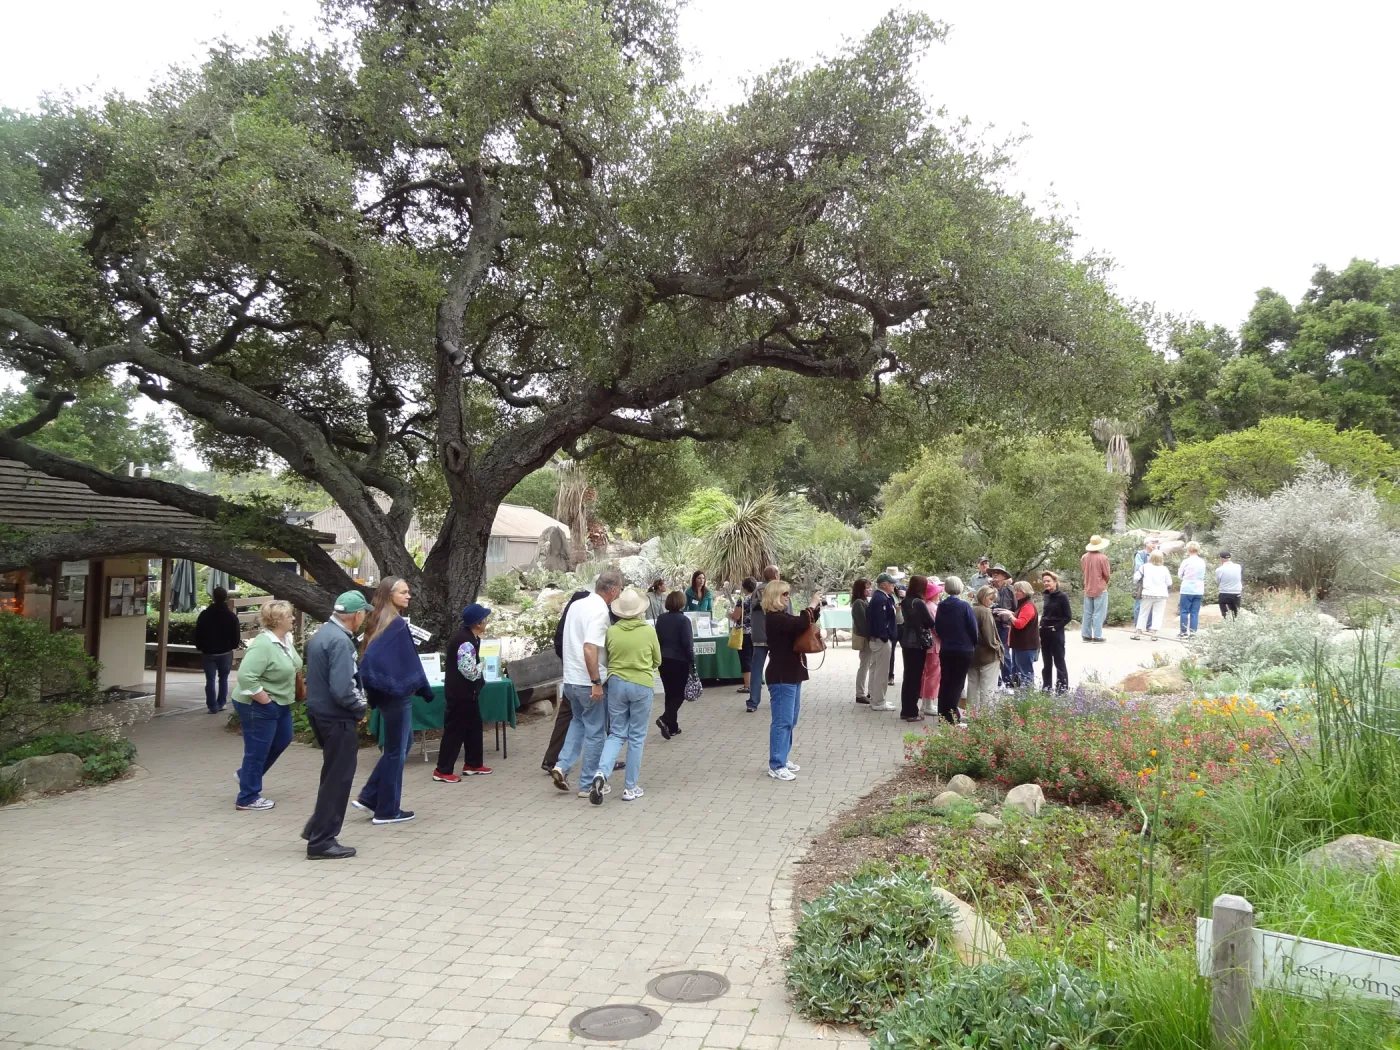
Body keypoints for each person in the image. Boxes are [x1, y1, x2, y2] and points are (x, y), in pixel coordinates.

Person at [352, 577, 434, 825]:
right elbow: (372, 662)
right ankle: (387, 810)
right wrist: (398, 683)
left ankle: (369, 797)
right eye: (404, 592)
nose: (409, 596)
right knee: (396, 751)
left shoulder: (379, 618)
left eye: (409, 592)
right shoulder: (395, 624)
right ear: (389, 594)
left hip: (390, 694)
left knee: (401, 745)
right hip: (396, 696)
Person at [302, 591, 370, 859]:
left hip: (320, 713)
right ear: (356, 615)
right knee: (338, 779)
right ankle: (322, 841)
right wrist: (361, 707)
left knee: (331, 775)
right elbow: (343, 688)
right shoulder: (341, 642)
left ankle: (317, 828)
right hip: (337, 717)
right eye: (363, 613)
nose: (364, 618)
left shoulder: (322, 634)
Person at [549, 570, 623, 797]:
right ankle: (588, 783)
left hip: (571, 678)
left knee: (578, 722)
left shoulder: (577, 604)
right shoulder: (600, 611)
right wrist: (596, 682)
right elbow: (590, 647)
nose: (619, 594)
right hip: (588, 680)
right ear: (612, 591)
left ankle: (562, 765)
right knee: (595, 732)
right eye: (619, 590)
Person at [588, 588, 662, 804]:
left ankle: (601, 773)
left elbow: (607, 658)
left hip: (617, 684)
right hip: (641, 684)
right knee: (636, 737)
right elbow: (657, 659)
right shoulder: (648, 631)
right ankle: (630, 787)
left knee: (616, 733)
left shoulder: (612, 631)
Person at [232, 600, 302, 812]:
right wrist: (265, 701)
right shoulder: (263, 644)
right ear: (278, 620)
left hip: (280, 702)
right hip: (257, 704)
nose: (292, 619)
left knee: (283, 738)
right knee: (257, 750)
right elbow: (246, 676)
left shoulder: (284, 639)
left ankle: (246, 775)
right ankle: (247, 797)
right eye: (289, 615)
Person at [760, 580, 819, 781]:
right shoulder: (775, 619)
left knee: (790, 719)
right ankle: (776, 764)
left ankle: (782, 758)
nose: (787, 597)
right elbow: (800, 623)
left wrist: (816, 607)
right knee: (782, 721)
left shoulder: (783, 616)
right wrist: (811, 605)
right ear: (775, 596)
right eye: (784, 594)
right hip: (782, 675)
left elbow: (803, 623)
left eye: (788, 594)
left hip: (792, 673)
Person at [433, 603, 494, 783]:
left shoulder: (474, 638)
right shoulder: (465, 642)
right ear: (477, 623)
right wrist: (482, 665)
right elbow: (470, 672)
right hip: (459, 694)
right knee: (455, 731)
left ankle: (473, 763)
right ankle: (442, 770)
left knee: (474, 727)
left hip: (470, 694)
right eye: (484, 619)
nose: (487, 621)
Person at [540, 587, 592, 773]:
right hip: (585, 676)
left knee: (566, 716)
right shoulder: (587, 615)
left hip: (571, 673)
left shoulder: (570, 617)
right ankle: (602, 760)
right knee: (596, 717)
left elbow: (559, 643)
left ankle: (552, 759)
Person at [933, 577, 978, 725]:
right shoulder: (964, 606)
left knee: (945, 681)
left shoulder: (941, 606)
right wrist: (973, 643)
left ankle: (943, 715)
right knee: (957, 683)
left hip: (946, 648)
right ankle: (952, 716)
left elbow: (937, 627)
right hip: (963, 649)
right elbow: (973, 628)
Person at [194, 585, 241, 713]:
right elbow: (236, 634)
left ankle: (212, 706)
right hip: (225, 651)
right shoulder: (231, 616)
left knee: (210, 679)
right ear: (226, 597)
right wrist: (233, 646)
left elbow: (198, 632)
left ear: (213, 597)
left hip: (208, 651)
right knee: (223, 678)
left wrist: (200, 646)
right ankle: (221, 703)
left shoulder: (204, 615)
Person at [655, 590, 693, 739]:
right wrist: (692, 661)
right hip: (680, 660)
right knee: (679, 694)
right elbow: (687, 643)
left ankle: (672, 726)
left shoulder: (661, 619)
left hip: (663, 659)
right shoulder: (684, 621)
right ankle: (665, 718)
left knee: (669, 693)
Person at [898, 575, 936, 723]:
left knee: (908, 677)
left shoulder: (906, 601)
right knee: (915, 678)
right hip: (917, 643)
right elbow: (930, 622)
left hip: (906, 641)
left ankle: (905, 710)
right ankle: (912, 712)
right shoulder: (919, 603)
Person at [747, 565, 783, 712]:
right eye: (778, 573)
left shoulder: (756, 590)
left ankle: (753, 702)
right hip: (776, 636)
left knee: (756, 669)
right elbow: (787, 612)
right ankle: (778, 699)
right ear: (775, 575)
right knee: (778, 668)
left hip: (758, 636)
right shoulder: (778, 590)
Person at [967, 586, 1004, 712]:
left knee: (972, 687)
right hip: (988, 655)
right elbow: (990, 637)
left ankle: (972, 714)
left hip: (973, 653)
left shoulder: (970, 609)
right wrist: (998, 648)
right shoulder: (985, 612)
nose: (992, 602)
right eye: (990, 599)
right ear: (983, 596)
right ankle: (986, 717)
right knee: (987, 688)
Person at [866, 573, 899, 712]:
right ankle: (879, 701)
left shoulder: (883, 597)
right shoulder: (880, 599)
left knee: (875, 669)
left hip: (878, 639)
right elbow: (881, 621)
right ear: (883, 584)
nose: (894, 585)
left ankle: (875, 697)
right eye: (891, 583)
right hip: (881, 640)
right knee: (881, 671)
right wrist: (885, 637)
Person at [1039, 572, 1071, 693]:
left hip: (1056, 633)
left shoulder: (1062, 596)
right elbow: (1045, 614)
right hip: (1044, 632)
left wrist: (1055, 627)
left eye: (1048, 581)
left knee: (1059, 661)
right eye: (1044, 581)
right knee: (1046, 663)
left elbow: (1068, 616)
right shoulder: (1046, 596)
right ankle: (1046, 688)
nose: (1046, 583)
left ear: (1055, 582)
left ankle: (1061, 689)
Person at [918, 578, 944, 717]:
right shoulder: (932, 607)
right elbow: (936, 627)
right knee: (933, 675)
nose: (939, 594)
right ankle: (928, 704)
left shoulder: (925, 605)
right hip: (934, 645)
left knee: (927, 674)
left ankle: (926, 703)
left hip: (928, 645)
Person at [1007, 582, 1041, 688]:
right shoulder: (1022, 604)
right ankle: (1019, 698)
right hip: (1020, 645)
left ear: (1026, 591)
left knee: (1025, 674)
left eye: (1019, 591)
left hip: (1026, 646)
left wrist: (1010, 616)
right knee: (1017, 672)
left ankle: (1026, 700)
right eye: (1015, 590)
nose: (1016, 593)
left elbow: (1020, 624)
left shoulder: (1028, 606)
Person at [1133, 551, 1172, 641]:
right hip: (1161, 595)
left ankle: (1138, 632)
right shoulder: (1164, 569)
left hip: (1147, 593)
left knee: (1143, 613)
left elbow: (1135, 578)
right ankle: (1154, 633)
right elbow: (1169, 582)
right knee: (1158, 614)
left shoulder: (1144, 567)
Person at [1080, 536, 1111, 643]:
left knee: (1087, 612)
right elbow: (1107, 574)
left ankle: (1086, 634)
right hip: (1100, 588)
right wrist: (1105, 582)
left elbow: (1083, 571)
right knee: (1099, 613)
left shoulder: (1084, 557)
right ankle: (1098, 635)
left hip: (1088, 587)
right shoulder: (1103, 558)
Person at [729, 578, 757, 695]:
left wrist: (729, 613)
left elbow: (736, 616)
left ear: (744, 587)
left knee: (745, 658)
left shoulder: (742, 600)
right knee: (754, 658)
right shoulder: (758, 599)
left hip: (744, 633)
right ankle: (755, 683)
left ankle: (747, 685)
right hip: (756, 632)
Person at [989, 565, 1016, 684]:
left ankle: (1008, 682)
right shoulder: (988, 590)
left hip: (1005, 626)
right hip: (990, 625)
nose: (994, 575)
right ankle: (996, 682)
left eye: (998, 573)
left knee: (1005, 654)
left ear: (1004, 576)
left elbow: (1016, 608)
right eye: (993, 573)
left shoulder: (1010, 590)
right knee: (992, 653)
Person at [849, 578, 873, 705]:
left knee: (867, 665)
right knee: (864, 665)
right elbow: (863, 624)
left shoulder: (863, 601)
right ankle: (860, 693)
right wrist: (871, 637)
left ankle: (868, 691)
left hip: (867, 638)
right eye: (867, 588)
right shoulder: (859, 603)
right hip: (865, 639)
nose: (869, 590)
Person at [1177, 541, 1207, 637]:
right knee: (1195, 612)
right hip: (1199, 588)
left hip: (1187, 588)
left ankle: (1183, 631)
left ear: (1188, 550)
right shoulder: (1202, 562)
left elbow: (1180, 575)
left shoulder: (1186, 562)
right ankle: (1193, 632)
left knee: (1184, 611)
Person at [1133, 537, 1160, 633]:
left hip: (1153, 584)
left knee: (1153, 605)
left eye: (1156, 543)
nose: (1154, 544)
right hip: (1141, 583)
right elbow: (1139, 567)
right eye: (1152, 542)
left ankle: (1149, 626)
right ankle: (1138, 626)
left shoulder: (1158, 554)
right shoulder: (1140, 554)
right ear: (1146, 543)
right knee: (1138, 605)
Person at [1216, 551, 1243, 618]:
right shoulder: (1238, 567)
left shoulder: (1219, 570)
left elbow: (1217, 581)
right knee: (1236, 613)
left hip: (1224, 593)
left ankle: (1227, 626)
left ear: (1221, 558)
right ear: (1230, 558)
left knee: (1225, 614)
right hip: (1236, 593)